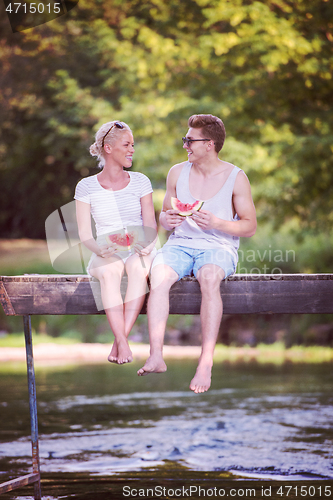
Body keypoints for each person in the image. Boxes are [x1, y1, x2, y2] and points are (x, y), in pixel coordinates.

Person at [138, 114, 257, 393]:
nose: (185, 146)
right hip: (180, 244)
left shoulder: (236, 178)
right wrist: (165, 221)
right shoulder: (177, 173)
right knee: (159, 275)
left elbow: (250, 226)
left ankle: (205, 363)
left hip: (219, 247)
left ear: (210, 144)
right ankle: (156, 355)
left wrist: (217, 223)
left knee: (209, 278)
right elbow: (166, 216)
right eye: (185, 140)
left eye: (190, 140)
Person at [75, 121, 157, 365]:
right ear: (108, 148)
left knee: (137, 268)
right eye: (126, 144)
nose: (132, 149)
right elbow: (84, 234)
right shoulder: (85, 186)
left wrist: (148, 246)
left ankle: (119, 342)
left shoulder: (141, 181)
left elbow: (150, 225)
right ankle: (122, 342)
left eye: (133, 145)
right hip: (104, 250)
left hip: (141, 247)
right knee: (110, 272)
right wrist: (99, 249)